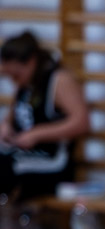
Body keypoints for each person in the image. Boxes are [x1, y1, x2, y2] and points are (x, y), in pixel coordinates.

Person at [0, 32, 88, 200]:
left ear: (31, 62)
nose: (13, 80)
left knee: (5, 168)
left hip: (53, 161)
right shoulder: (24, 84)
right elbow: (10, 118)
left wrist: (37, 134)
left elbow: (81, 122)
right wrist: (5, 128)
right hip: (22, 154)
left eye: (15, 75)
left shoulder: (59, 80)